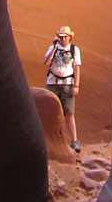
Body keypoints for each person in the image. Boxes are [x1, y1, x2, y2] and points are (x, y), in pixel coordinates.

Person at [44, 25, 82, 153]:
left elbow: (77, 68)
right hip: (53, 83)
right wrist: (54, 48)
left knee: (70, 113)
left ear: (69, 37)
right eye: (61, 37)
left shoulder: (74, 49)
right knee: (51, 112)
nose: (63, 39)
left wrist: (76, 86)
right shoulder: (53, 48)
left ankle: (74, 141)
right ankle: (50, 139)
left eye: (65, 37)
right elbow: (46, 61)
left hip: (67, 84)